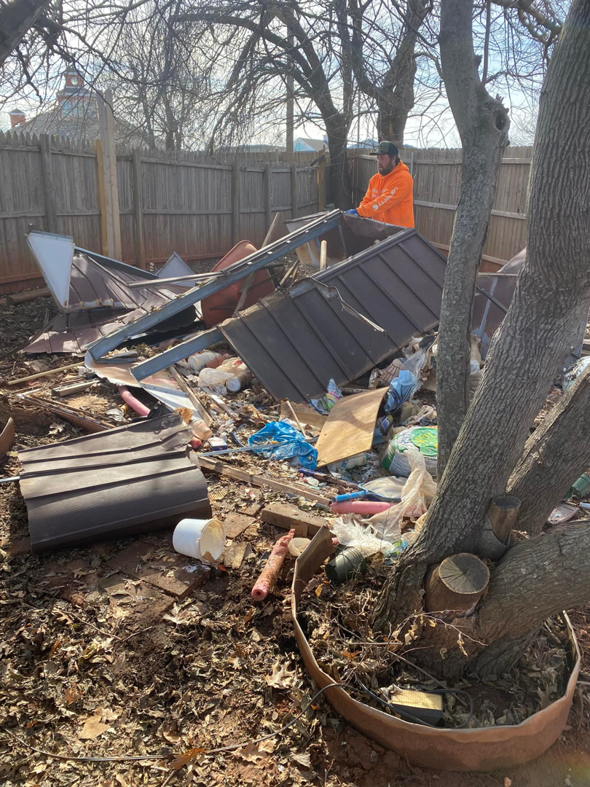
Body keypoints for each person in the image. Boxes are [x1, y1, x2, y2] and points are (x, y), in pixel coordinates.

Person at [347, 141, 414, 228]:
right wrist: (360, 214)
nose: (379, 162)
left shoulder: (403, 178)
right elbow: (367, 201)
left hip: (401, 234)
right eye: (377, 158)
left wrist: (359, 212)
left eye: (382, 158)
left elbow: (383, 202)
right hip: (380, 231)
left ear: (393, 158)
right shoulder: (374, 180)